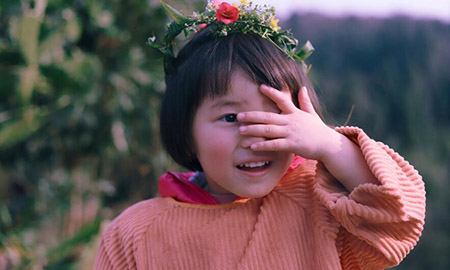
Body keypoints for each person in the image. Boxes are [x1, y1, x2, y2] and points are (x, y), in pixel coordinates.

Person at [94, 1, 426, 269]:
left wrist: (329, 144)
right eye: (229, 116)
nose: (257, 137)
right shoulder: (134, 234)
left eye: (276, 114)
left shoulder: (320, 201)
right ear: (185, 129)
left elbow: (400, 217)